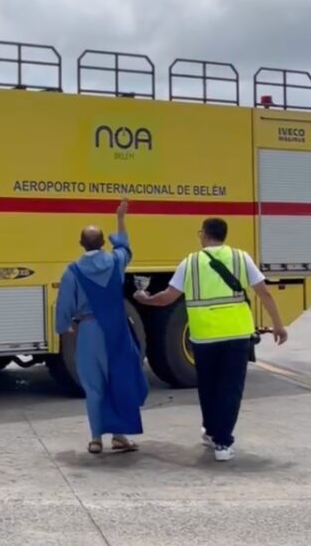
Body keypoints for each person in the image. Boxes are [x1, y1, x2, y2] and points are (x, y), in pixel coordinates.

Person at [133, 217, 288, 462]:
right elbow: (264, 292)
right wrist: (278, 325)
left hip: (204, 337)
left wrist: (145, 299)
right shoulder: (241, 258)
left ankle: (213, 431)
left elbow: (167, 297)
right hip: (237, 334)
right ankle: (223, 443)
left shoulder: (190, 262)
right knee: (231, 388)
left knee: (209, 386)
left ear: (204, 234)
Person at [56, 196, 149, 454]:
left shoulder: (72, 271)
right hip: (117, 330)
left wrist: (64, 326)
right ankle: (119, 436)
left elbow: (64, 304)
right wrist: (120, 218)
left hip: (88, 330)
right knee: (118, 378)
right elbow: (125, 247)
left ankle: (96, 438)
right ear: (102, 242)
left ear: (81, 244)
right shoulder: (115, 261)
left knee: (93, 385)